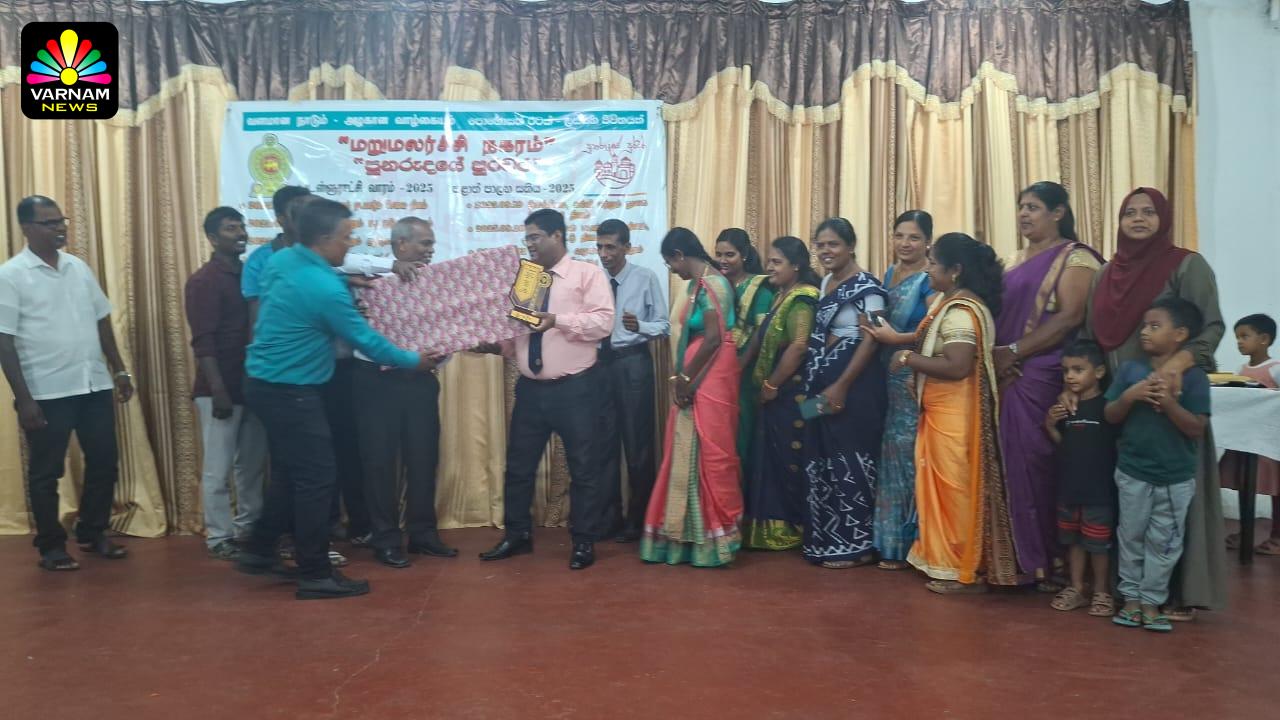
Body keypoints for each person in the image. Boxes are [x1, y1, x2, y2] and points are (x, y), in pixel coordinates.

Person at [234, 198, 433, 600]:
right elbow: (368, 341)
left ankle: (259, 549)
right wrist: (414, 361)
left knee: (291, 472)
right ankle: (315, 572)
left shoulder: (285, 261)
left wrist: (345, 281)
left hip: (263, 383)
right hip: (292, 391)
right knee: (318, 478)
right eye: (345, 237)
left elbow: (310, 290)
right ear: (323, 239)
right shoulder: (324, 287)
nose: (350, 244)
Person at [1070, 186, 1227, 620]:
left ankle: (1179, 592)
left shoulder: (1187, 265)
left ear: (1164, 219)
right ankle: (1123, 589)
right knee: (1126, 505)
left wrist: (1176, 364)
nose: (1138, 219)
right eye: (1129, 213)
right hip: (1118, 401)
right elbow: (1091, 339)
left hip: (1169, 400)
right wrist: (1081, 386)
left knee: (1171, 508)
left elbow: (1211, 327)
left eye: (1148, 212)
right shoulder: (1106, 274)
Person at [870, 233, 1019, 593]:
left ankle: (962, 569)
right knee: (942, 488)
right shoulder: (949, 303)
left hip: (955, 415)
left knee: (955, 490)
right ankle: (945, 563)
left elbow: (957, 366)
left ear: (955, 271)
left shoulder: (961, 312)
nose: (929, 270)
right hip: (941, 411)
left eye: (934, 263)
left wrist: (908, 358)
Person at [0, 195, 134, 571]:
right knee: (47, 472)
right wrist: (24, 400)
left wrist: (119, 370)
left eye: (62, 221)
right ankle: (51, 546)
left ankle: (93, 531)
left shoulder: (78, 267)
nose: (60, 228)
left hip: (92, 384)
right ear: (27, 228)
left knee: (104, 461)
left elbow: (102, 319)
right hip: (46, 391)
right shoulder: (10, 276)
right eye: (50, 222)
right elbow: (4, 342)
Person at [477, 209, 614, 570]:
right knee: (518, 467)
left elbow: (603, 323)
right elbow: (518, 335)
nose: (530, 244)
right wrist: (495, 347)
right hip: (530, 390)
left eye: (535, 236)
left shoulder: (586, 274)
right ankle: (517, 535)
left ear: (557, 236)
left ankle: (583, 541)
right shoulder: (526, 280)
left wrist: (557, 321)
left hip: (576, 389)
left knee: (584, 468)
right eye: (527, 238)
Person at [995, 182, 1102, 589]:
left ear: (1058, 213)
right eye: (1021, 206)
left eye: (1034, 207)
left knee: (1036, 462)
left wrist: (1014, 352)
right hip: (1005, 370)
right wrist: (999, 357)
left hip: (1042, 372)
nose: (1024, 214)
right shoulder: (1012, 260)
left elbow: (1070, 317)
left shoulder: (1075, 258)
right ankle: (1011, 557)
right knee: (1006, 462)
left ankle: (1046, 558)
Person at [352, 217, 458, 568]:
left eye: (432, 244)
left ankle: (423, 534)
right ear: (400, 245)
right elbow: (337, 264)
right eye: (425, 243)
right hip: (376, 382)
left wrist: (443, 354)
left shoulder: (437, 283)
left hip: (420, 382)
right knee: (379, 462)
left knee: (423, 458)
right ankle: (385, 539)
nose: (430, 251)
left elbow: (445, 332)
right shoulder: (367, 276)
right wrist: (389, 268)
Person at [1105, 298, 1211, 632]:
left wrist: (1168, 403)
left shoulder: (1195, 378)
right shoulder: (1131, 371)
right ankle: (1131, 600)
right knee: (1131, 537)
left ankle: (1152, 602)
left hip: (1175, 478)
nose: (1144, 332)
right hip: (1133, 472)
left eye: (1155, 326)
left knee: (1165, 542)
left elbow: (1196, 428)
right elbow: (1110, 415)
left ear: (1180, 334)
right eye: (1144, 326)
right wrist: (1130, 396)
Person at [640, 228, 744, 566]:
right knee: (688, 452)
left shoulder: (713, 284)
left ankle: (714, 540)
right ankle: (688, 537)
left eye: (670, 263)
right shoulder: (698, 284)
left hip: (710, 375)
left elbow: (713, 339)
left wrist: (686, 379)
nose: (672, 270)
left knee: (711, 453)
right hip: (700, 373)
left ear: (680, 255)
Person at [802, 218, 887, 568]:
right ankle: (825, 540)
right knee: (821, 455)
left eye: (833, 244)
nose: (826, 251)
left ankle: (857, 545)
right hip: (820, 383)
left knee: (851, 459)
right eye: (820, 245)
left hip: (855, 388)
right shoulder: (825, 282)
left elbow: (872, 339)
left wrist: (842, 385)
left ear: (851, 246)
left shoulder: (869, 288)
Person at [185, 206, 266, 561]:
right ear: (212, 238)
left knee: (251, 465)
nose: (240, 233)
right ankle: (219, 536)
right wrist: (218, 390)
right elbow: (203, 341)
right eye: (231, 228)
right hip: (218, 389)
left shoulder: (251, 275)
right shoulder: (204, 281)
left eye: (241, 226)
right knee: (217, 469)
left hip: (253, 384)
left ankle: (248, 527)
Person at [738, 236, 818, 550]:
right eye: (769, 261)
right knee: (770, 459)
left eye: (777, 262)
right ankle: (770, 528)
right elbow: (760, 339)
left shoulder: (803, 298)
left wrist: (772, 385)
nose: (769, 267)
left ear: (795, 266)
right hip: (776, 392)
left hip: (793, 393)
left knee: (789, 458)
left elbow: (799, 346)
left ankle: (793, 528)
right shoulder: (780, 295)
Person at [595, 218, 670, 543]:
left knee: (638, 447)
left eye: (611, 247)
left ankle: (639, 522)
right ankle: (609, 518)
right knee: (604, 445)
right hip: (599, 366)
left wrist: (641, 326)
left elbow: (663, 325)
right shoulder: (593, 279)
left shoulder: (645, 277)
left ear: (627, 247)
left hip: (633, 363)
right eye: (600, 247)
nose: (604, 254)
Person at [874, 210, 935, 570]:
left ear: (928, 241)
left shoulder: (930, 278)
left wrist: (896, 340)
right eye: (899, 236)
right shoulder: (889, 273)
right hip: (886, 374)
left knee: (911, 455)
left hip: (913, 374)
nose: (905, 244)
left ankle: (919, 544)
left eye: (914, 237)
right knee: (891, 454)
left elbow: (934, 327)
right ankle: (892, 544)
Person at [1045, 340, 1118, 617]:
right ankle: (1076, 587)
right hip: (1069, 488)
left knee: (1098, 544)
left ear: (1099, 372)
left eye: (1078, 370)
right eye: (1066, 371)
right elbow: (1063, 445)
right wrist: (1050, 425)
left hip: (1099, 491)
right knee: (1073, 541)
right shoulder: (1065, 407)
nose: (1070, 377)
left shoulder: (1108, 407)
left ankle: (1101, 591)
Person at [1221, 313, 1280, 555]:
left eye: (1244, 336)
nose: (1239, 342)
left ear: (1264, 339)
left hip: (1268, 444)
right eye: (1237, 337)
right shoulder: (1241, 370)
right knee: (1245, 486)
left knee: (1276, 492)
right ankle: (1245, 533)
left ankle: (1277, 537)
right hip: (1245, 440)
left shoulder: (1275, 369)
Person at [715, 228, 775, 468]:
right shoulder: (715, 285)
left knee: (742, 432)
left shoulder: (759, 288)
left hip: (744, 372)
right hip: (716, 370)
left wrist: (739, 365)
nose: (722, 260)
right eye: (719, 254)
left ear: (745, 255)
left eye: (729, 255)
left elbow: (761, 333)